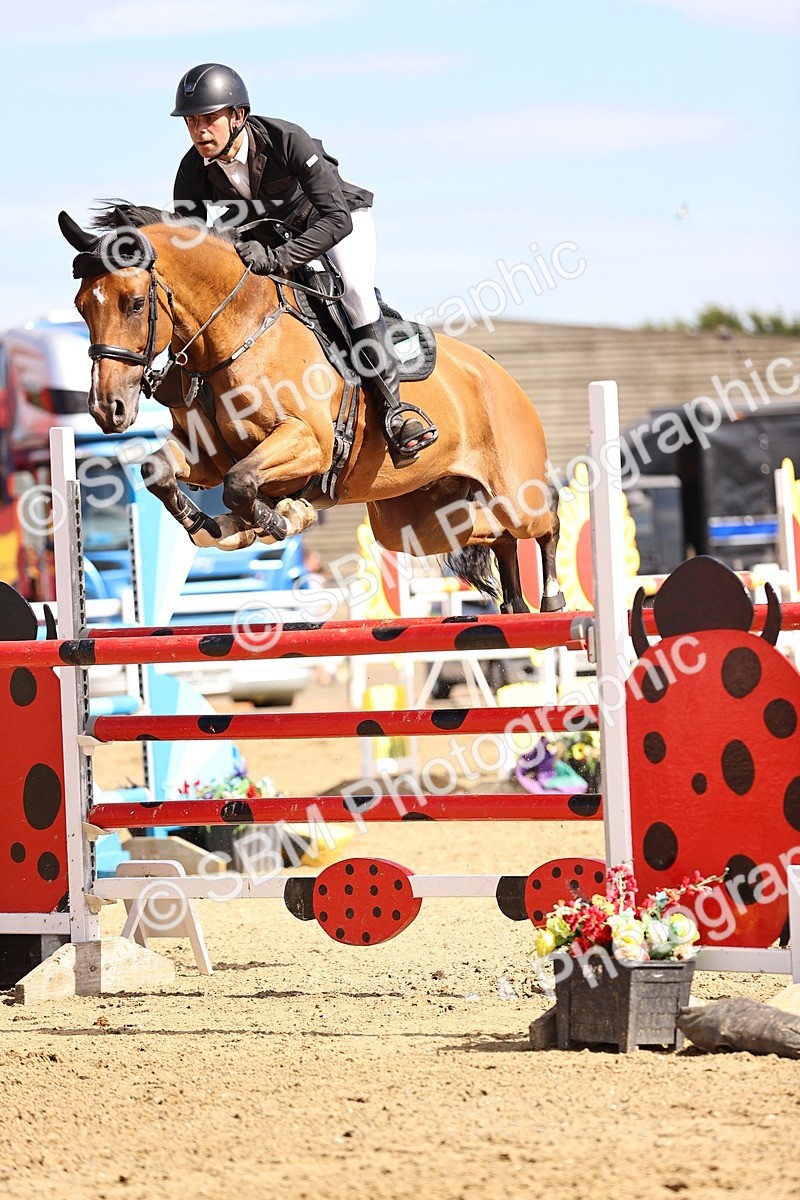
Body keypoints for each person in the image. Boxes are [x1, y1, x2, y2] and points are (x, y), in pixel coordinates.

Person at [171, 63, 436, 464]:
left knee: (354, 293)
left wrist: (277, 258)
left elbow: (337, 220)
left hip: (333, 222)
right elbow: (188, 248)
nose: (199, 130)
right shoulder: (192, 171)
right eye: (192, 121)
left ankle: (394, 413)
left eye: (209, 119)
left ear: (238, 116)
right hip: (271, 238)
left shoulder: (286, 140)